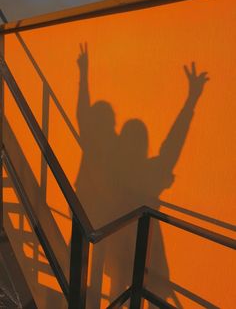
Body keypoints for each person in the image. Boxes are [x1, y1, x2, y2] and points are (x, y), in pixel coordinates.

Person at [75, 42, 209, 308]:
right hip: (128, 236)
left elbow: (84, 119)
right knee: (126, 281)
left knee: (113, 278)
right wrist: (190, 101)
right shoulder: (144, 168)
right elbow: (171, 147)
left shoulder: (114, 158)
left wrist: (83, 75)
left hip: (114, 231)